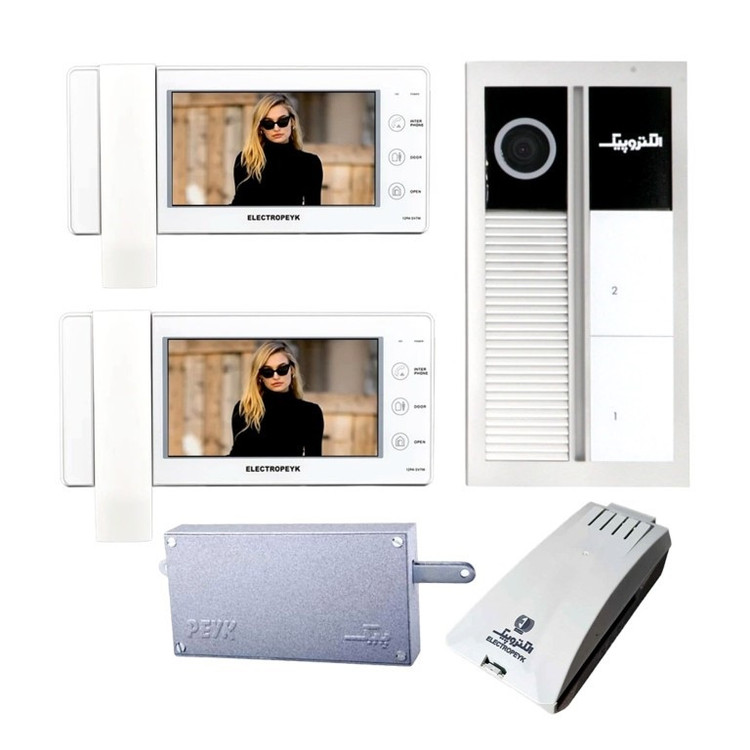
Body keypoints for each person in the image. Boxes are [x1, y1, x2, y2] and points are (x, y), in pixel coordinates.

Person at [229, 341, 324, 457]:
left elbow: (313, 461)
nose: (276, 376)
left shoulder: (310, 412)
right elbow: (237, 458)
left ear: (292, 370)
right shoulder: (245, 409)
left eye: (282, 369)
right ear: (259, 376)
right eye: (267, 372)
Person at [231, 94, 323, 206]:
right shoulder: (246, 160)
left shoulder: (310, 163)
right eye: (268, 123)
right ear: (260, 128)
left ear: (292, 122)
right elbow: (239, 208)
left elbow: (312, 211)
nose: (276, 128)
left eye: (282, 121)